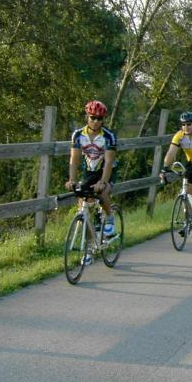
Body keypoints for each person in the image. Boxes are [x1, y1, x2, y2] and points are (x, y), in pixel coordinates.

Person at [65, 100, 118, 264]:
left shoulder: (108, 136)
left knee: (102, 192)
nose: (96, 121)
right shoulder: (78, 135)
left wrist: (103, 181)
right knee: (83, 207)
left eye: (99, 118)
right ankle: (89, 248)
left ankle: (109, 217)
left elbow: (109, 162)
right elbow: (74, 160)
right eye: (92, 117)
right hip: (90, 170)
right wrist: (72, 179)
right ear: (87, 117)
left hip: (107, 170)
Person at [160, 112, 192, 216]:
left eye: (189, 124)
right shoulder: (179, 135)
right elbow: (171, 152)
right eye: (183, 124)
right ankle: (189, 218)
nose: (186, 127)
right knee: (187, 190)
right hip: (191, 163)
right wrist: (165, 167)